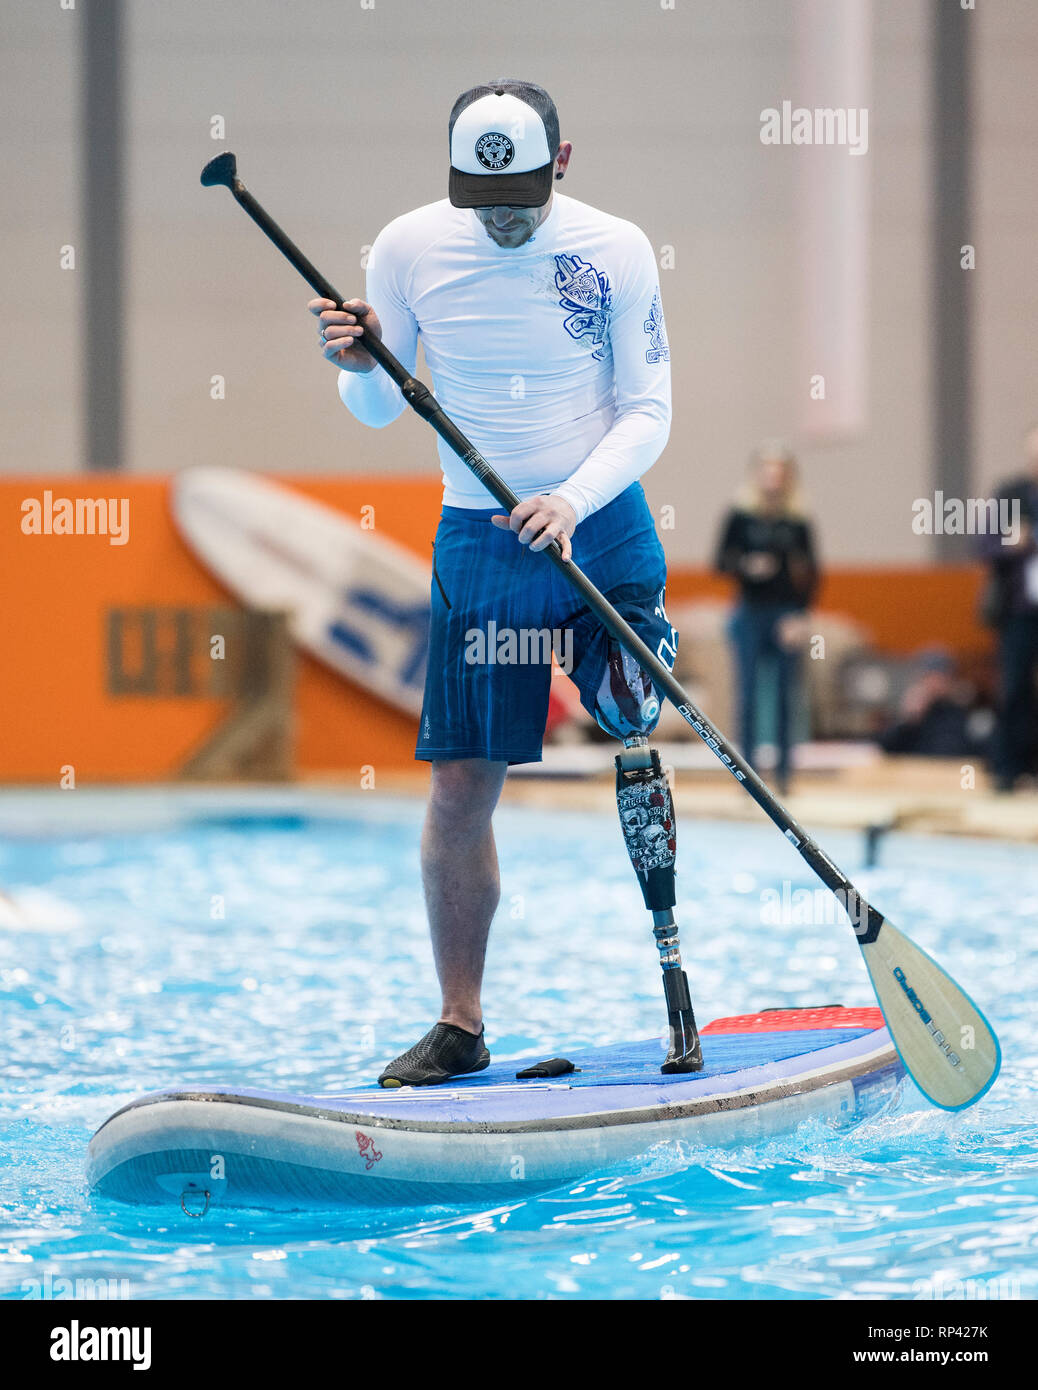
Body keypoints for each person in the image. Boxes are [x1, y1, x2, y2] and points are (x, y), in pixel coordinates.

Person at [309, 80, 701, 1084]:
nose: (503, 215)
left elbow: (649, 410)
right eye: (484, 198)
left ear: (562, 164)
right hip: (480, 542)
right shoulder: (403, 248)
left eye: (522, 193)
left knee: (629, 729)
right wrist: (359, 362)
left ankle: (679, 1004)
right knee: (459, 791)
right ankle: (460, 1021)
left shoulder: (616, 249)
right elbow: (371, 413)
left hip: (601, 525)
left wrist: (570, 498)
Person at [715, 443, 818, 794]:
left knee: (786, 696)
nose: (773, 479)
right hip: (749, 613)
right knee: (748, 696)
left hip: (785, 615)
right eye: (767, 471)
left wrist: (801, 617)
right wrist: (746, 565)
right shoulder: (740, 517)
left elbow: (813, 572)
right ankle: (748, 777)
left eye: (780, 472)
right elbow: (720, 562)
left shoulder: (797, 521)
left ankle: (786, 778)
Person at [977, 424, 1038, 791]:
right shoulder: (1010, 495)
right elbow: (983, 545)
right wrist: (1010, 544)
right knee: (1014, 688)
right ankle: (1008, 768)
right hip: (1019, 611)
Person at [877, 646, 992, 759]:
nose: (934, 683)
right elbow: (885, 749)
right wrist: (909, 720)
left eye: (940, 677)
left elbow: (970, 751)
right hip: (915, 773)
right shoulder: (912, 713)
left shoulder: (963, 712)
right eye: (929, 676)